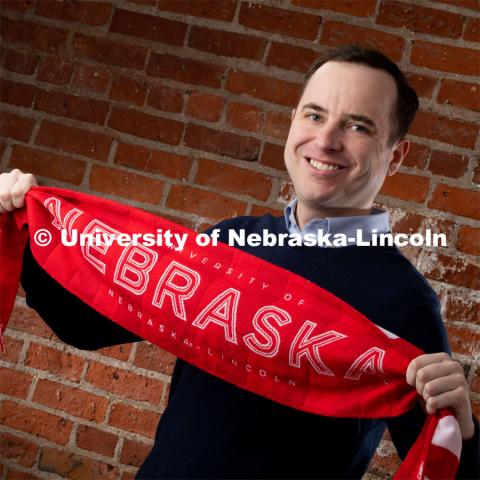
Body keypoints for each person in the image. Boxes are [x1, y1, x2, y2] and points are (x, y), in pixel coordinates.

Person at [0, 45, 478, 479]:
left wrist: (464, 427)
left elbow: (442, 463)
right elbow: (86, 325)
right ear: (293, 122)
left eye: (358, 126)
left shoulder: (404, 301)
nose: (326, 139)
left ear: (396, 156)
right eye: (314, 115)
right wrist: (27, 229)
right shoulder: (232, 240)